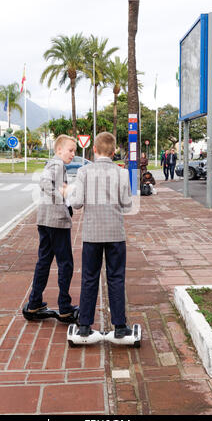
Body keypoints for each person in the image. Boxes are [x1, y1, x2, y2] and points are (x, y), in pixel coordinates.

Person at [67, 132, 133, 338]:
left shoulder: (84, 172)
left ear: (94, 149)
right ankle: (120, 326)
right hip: (115, 234)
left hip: (92, 235)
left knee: (89, 278)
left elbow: (76, 203)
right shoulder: (122, 173)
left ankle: (85, 325)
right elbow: (128, 205)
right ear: (114, 152)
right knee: (116, 277)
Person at [25, 135, 79, 322]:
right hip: (56, 222)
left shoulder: (52, 164)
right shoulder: (57, 165)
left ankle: (34, 303)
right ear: (59, 150)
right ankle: (64, 307)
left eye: (74, 151)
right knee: (65, 263)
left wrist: (65, 197)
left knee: (44, 262)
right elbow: (45, 184)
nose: (73, 154)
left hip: (45, 220)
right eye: (70, 150)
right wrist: (60, 204)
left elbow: (54, 187)